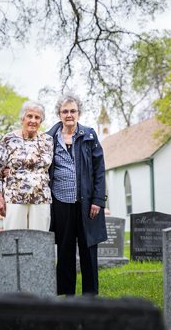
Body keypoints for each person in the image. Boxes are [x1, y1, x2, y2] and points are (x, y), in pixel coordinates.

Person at [47, 93, 107, 295]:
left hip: (87, 202)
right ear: (59, 114)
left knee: (88, 248)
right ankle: (67, 293)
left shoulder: (89, 135)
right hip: (61, 201)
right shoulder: (49, 138)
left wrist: (98, 200)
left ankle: (90, 294)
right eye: (65, 111)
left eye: (73, 111)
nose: (69, 115)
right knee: (65, 250)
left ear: (78, 113)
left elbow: (99, 170)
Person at [0, 100, 53, 231]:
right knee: (15, 241)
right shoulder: (9, 139)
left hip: (41, 199)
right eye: (29, 116)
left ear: (41, 121)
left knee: (40, 241)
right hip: (14, 199)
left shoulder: (48, 140)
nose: (33, 120)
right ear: (22, 118)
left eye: (37, 117)